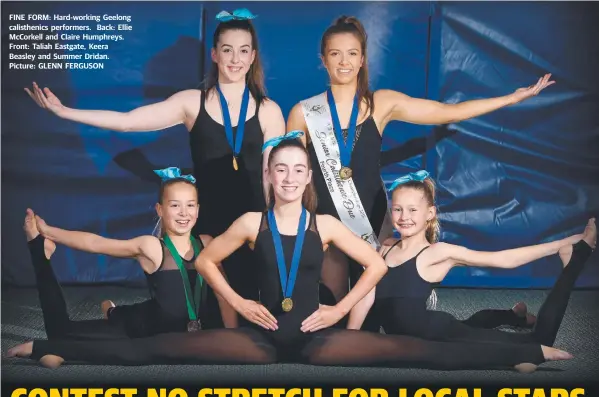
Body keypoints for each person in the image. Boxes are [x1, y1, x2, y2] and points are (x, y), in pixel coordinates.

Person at [7, 135, 572, 372]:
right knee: (157, 349)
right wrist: (235, 299)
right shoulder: (251, 220)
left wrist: (336, 309)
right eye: (280, 168)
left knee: (415, 351)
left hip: (319, 337)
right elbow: (206, 261)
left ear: (306, 179)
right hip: (257, 337)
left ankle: (524, 356)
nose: (288, 176)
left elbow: (376, 263)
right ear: (269, 174)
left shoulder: (323, 224)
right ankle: (47, 346)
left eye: (298, 170)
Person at [286, 16, 556, 327]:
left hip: (373, 224)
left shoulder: (381, 103)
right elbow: (290, 176)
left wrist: (512, 98)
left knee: (385, 321)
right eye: (335, 53)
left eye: (351, 53)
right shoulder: (303, 113)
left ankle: (508, 317)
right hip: (328, 226)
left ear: (362, 58)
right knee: (328, 319)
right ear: (323, 60)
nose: (343, 61)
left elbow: (445, 112)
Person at [25, 9, 286, 327]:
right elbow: (127, 122)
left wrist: (274, 234)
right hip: (205, 227)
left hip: (251, 226)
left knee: (253, 323)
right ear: (215, 54)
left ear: (253, 55)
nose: (235, 58)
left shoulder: (269, 110)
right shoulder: (191, 102)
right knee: (186, 320)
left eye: (243, 50)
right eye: (228, 49)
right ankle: (115, 312)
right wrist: (65, 112)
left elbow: (272, 178)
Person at [347, 170, 595, 347]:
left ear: (430, 214)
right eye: (398, 209)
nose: (404, 217)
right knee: (470, 324)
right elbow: (365, 296)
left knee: (536, 343)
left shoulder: (437, 252)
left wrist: (564, 243)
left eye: (413, 210)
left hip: (441, 334)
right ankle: (512, 316)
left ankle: (575, 259)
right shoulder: (387, 248)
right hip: (420, 335)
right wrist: (348, 337)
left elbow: (502, 260)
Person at [21, 168, 236, 340]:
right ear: (160, 210)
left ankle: (111, 310)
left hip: (191, 327)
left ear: (198, 210)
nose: (183, 213)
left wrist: (231, 336)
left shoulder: (207, 243)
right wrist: (49, 232)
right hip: (143, 327)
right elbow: (96, 243)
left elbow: (223, 295)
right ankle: (41, 254)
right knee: (61, 334)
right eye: (175, 205)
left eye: (190, 205)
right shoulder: (151, 246)